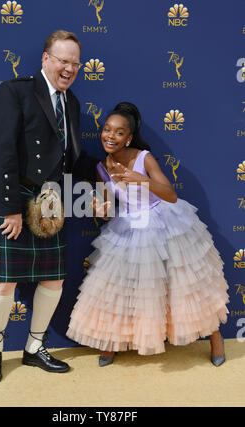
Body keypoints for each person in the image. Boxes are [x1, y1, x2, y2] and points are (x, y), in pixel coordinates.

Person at [0, 30, 98, 384]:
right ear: (45, 59)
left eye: (75, 63)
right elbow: (1, 152)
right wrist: (10, 209)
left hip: (49, 201)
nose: (69, 69)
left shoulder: (71, 102)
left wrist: (103, 175)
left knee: (54, 278)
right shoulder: (15, 92)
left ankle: (34, 348)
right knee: (6, 282)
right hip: (14, 196)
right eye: (62, 61)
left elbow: (72, 158)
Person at [66, 102, 229, 367]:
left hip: (165, 222)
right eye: (107, 129)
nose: (110, 136)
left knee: (187, 285)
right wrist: (101, 207)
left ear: (129, 137)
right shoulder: (100, 168)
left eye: (119, 132)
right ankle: (110, 342)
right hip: (129, 226)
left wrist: (139, 179)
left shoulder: (144, 158)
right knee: (114, 286)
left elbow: (171, 195)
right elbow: (107, 210)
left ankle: (215, 337)